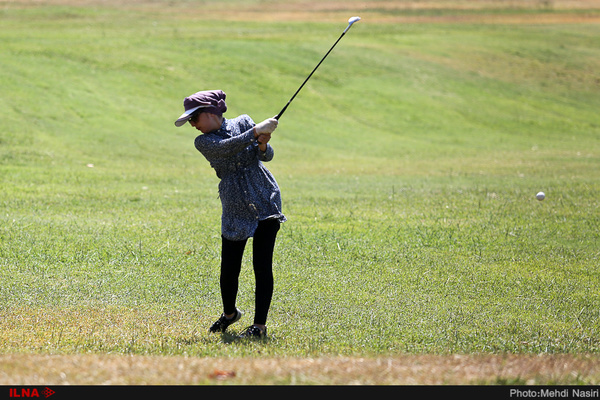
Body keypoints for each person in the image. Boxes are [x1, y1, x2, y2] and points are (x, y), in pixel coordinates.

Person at [175, 90, 286, 339]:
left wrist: (263, 143)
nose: (192, 125)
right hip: (235, 204)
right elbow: (227, 148)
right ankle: (229, 314)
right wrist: (255, 132)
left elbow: (266, 156)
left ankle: (259, 326)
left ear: (210, 112)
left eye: (194, 119)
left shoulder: (244, 122)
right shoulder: (202, 142)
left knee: (262, 265)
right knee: (229, 267)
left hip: (265, 197)